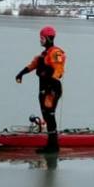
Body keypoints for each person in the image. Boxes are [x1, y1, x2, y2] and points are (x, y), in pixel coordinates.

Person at [14, 25, 66, 153]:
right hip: (43, 89)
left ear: (49, 38)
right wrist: (21, 73)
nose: (40, 40)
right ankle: (50, 143)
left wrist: (51, 81)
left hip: (52, 89)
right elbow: (32, 65)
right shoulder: (43, 55)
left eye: (42, 38)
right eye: (40, 38)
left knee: (49, 115)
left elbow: (59, 69)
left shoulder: (56, 53)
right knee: (46, 115)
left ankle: (53, 146)